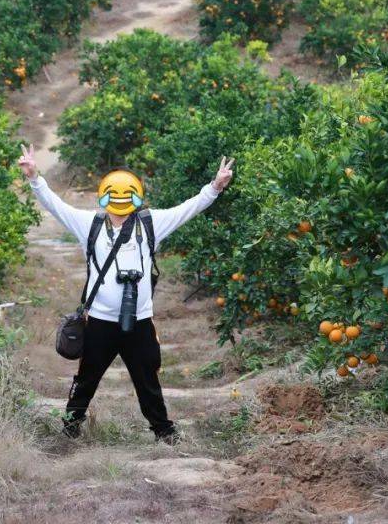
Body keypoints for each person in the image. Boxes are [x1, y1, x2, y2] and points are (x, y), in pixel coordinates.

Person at [17, 144, 234, 443]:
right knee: (86, 380)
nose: (119, 201)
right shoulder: (89, 225)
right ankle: (70, 428)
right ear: (105, 196)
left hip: (140, 321)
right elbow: (56, 206)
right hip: (100, 322)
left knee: (147, 380)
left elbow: (188, 209)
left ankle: (163, 431)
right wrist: (34, 177)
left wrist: (215, 187)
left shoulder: (149, 223)